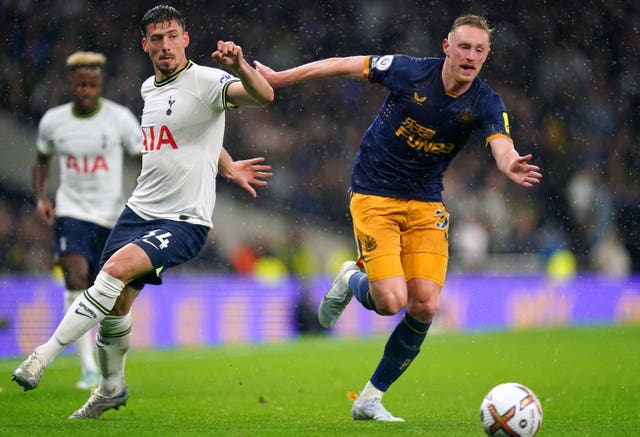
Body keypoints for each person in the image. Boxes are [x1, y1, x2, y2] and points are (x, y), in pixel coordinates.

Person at [255, 14, 542, 422]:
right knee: (391, 302)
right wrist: (281, 78)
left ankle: (370, 399)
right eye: (464, 47)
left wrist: (509, 163)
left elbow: (502, 143)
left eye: (479, 50)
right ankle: (349, 278)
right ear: (447, 46)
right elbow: (343, 63)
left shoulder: (486, 101)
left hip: (426, 203)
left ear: (487, 56)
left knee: (424, 305)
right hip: (375, 193)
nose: (470, 56)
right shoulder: (409, 72)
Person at [12, 4, 274, 419]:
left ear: (186, 39)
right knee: (115, 307)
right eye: (157, 39)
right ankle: (111, 388)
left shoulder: (209, 80)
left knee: (112, 272)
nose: (165, 45)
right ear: (145, 45)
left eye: (173, 36)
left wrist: (240, 64)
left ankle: (42, 356)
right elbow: (185, 134)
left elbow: (264, 95)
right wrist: (227, 164)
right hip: (139, 211)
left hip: (184, 220)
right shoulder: (148, 89)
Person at [32, 51, 142, 390]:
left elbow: (144, 158)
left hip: (112, 217)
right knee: (74, 277)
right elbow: (41, 161)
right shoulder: (53, 121)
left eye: (92, 84)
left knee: (104, 292)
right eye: (80, 84)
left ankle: (106, 366)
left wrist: (144, 195)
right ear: (70, 84)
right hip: (72, 213)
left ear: (100, 84)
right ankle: (87, 368)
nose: (85, 90)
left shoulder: (120, 119)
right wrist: (41, 198)